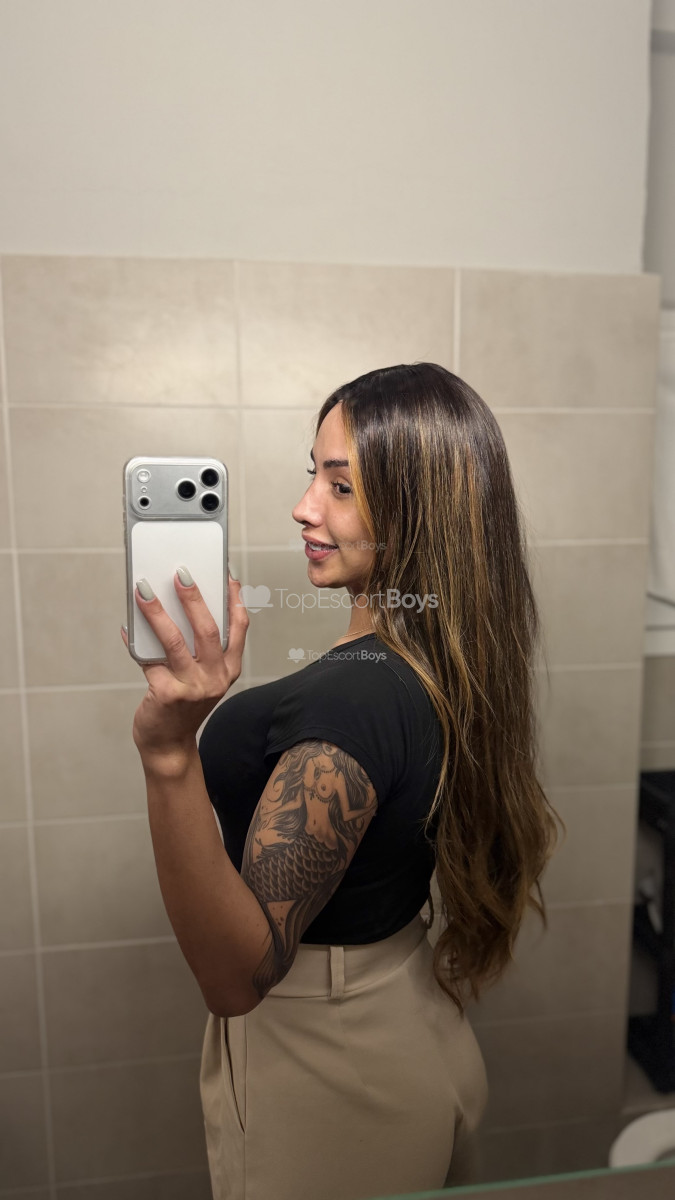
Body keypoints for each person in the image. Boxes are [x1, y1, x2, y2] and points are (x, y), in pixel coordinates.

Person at [122, 362, 565, 1200]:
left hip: (327, 1069)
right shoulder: (434, 658)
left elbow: (236, 979)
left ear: (414, 510)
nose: (304, 508)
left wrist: (168, 752)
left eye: (340, 487)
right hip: (408, 1015)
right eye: (312, 476)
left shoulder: (351, 698)